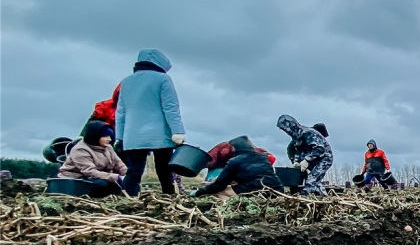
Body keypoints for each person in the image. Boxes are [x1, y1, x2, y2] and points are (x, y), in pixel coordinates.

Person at [115, 49, 185, 196]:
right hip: (159, 134)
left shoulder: (126, 81)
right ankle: (169, 197)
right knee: (164, 170)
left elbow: (121, 112)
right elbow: (170, 108)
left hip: (133, 135)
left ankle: (126, 198)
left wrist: (120, 137)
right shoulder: (163, 79)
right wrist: (177, 131)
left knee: (134, 171)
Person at [192, 136, 282, 198]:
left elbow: (219, 185)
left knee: (220, 193)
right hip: (276, 188)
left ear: (235, 148)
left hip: (253, 190)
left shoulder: (234, 161)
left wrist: (199, 192)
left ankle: (227, 210)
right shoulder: (263, 157)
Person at [57, 121, 127, 197]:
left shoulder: (108, 147)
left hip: (100, 177)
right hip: (76, 180)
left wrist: (128, 176)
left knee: (120, 185)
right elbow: (89, 172)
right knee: (102, 184)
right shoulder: (80, 150)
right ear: (95, 136)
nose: (109, 139)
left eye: (110, 136)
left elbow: (118, 164)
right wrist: (116, 177)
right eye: (105, 136)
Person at [277, 115, 334, 195]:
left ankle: (311, 198)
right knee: (312, 180)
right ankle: (322, 195)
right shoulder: (296, 136)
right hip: (313, 158)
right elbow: (297, 151)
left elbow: (320, 149)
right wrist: (296, 162)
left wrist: (307, 160)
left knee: (311, 181)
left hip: (324, 158)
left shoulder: (308, 133)